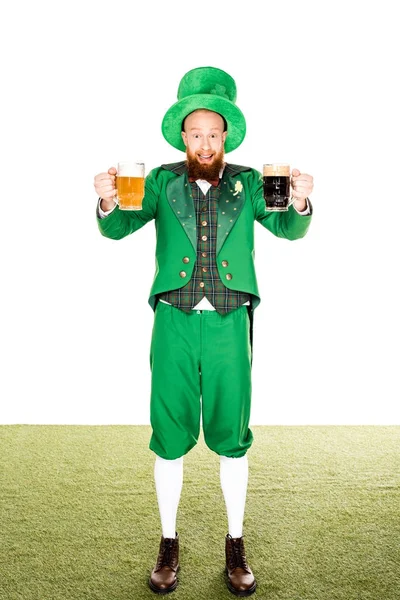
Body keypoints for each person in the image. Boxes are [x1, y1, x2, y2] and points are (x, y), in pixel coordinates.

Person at [94, 66, 313, 596]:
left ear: (226, 136)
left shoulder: (253, 182)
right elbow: (119, 225)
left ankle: (234, 542)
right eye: (197, 133)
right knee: (168, 436)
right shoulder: (159, 181)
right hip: (173, 318)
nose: (206, 142)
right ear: (183, 136)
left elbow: (287, 226)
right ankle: (168, 542)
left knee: (231, 437)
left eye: (214, 133)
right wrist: (105, 200)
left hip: (228, 322)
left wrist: (302, 201)